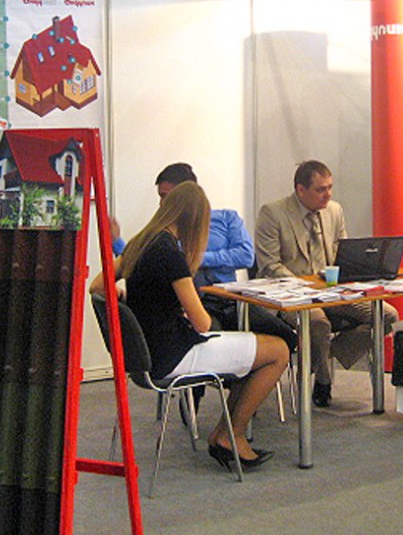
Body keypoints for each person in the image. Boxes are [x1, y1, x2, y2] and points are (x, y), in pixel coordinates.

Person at [91, 181, 288, 469]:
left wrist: (124, 298)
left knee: (250, 356)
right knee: (278, 351)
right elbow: (203, 323)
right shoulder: (171, 253)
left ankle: (225, 435)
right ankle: (231, 435)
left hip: (145, 356)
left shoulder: (139, 243)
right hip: (172, 355)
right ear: (195, 220)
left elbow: (97, 286)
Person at [254, 160, 397, 408]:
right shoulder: (273, 213)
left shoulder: (334, 211)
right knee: (318, 323)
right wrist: (305, 286)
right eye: (321, 189)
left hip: (333, 290)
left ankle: (328, 353)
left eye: (330, 187)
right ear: (301, 190)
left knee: (386, 315)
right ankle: (323, 379)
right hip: (292, 294)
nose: (328, 194)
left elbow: (343, 254)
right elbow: (270, 265)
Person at [153, 163, 297, 352]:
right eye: (160, 197)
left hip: (232, 302)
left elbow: (246, 256)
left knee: (287, 336)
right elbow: (172, 260)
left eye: (166, 197)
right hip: (198, 305)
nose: (162, 205)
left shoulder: (227, 218)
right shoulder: (167, 234)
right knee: (213, 343)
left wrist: (200, 258)